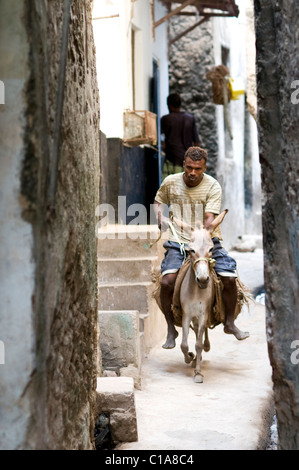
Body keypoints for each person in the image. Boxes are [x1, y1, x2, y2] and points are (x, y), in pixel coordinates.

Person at [154, 146, 250, 349]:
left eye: (198, 168)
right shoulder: (170, 182)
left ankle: (230, 323)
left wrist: (201, 237)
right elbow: (158, 200)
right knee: (166, 282)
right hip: (179, 242)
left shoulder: (213, 186)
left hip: (207, 240)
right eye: (189, 167)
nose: (192, 172)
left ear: (204, 167)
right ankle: (171, 329)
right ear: (183, 165)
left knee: (229, 278)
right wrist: (160, 217)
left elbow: (209, 219)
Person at [161, 93, 201, 179]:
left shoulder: (165, 119)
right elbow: (196, 142)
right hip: (185, 161)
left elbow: (161, 138)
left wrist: (163, 145)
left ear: (169, 105)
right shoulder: (190, 119)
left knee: (167, 187)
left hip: (170, 159)